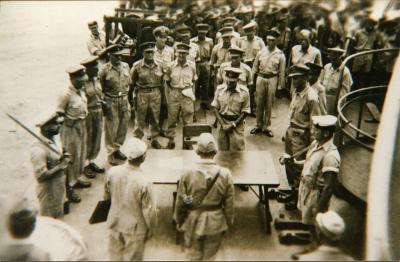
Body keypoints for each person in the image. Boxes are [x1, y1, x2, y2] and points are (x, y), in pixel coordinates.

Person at [174, 133, 234, 260]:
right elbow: (229, 205)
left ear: (197, 151)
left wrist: (179, 219)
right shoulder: (225, 174)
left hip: (192, 220)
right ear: (215, 151)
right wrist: (228, 222)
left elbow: (182, 200)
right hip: (215, 221)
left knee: (192, 256)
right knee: (210, 258)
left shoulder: (187, 172)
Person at [104, 138, 157, 261]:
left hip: (114, 222)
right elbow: (149, 211)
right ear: (143, 157)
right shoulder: (145, 182)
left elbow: (106, 197)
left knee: (115, 258)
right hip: (135, 229)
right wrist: (151, 228)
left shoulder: (112, 172)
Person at [281, 65, 321, 210]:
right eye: (292, 78)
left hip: (302, 138)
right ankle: (293, 191)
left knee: (299, 168)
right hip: (291, 133)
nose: (293, 81)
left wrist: (312, 145)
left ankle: (299, 197)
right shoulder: (296, 92)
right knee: (289, 164)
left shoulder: (312, 97)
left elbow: (315, 123)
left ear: (305, 77)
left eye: (296, 78)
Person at [294, 115, 340, 226]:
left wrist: (318, 208)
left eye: (316, 130)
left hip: (315, 197)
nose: (313, 131)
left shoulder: (331, 156)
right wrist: (295, 163)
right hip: (306, 191)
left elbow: (329, 187)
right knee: (306, 221)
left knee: (314, 225)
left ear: (326, 133)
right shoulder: (315, 144)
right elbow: (309, 163)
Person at [57, 66, 90, 203]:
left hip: (81, 125)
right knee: (70, 157)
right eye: (80, 80)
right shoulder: (65, 94)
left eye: (83, 79)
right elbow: (59, 113)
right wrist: (67, 122)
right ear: (72, 79)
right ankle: (68, 189)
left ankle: (75, 179)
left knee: (80, 154)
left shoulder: (80, 90)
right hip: (70, 128)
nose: (83, 82)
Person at [30, 111, 71, 217]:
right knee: (50, 219)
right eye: (56, 124)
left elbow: (57, 153)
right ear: (46, 128)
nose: (59, 126)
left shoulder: (53, 137)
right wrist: (61, 166)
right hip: (49, 192)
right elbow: (40, 176)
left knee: (58, 212)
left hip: (58, 186)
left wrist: (64, 153)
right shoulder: (38, 150)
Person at [250, 30, 286, 137]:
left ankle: (267, 126)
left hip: (272, 79)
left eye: (273, 40)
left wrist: (280, 86)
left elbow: (282, 71)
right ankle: (258, 125)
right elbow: (255, 67)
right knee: (259, 102)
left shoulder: (280, 55)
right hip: (261, 78)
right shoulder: (261, 52)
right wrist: (251, 80)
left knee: (269, 103)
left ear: (277, 41)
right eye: (269, 40)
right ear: (266, 40)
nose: (271, 42)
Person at [99, 48, 131, 165]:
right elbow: (100, 88)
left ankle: (117, 149)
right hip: (111, 100)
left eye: (120, 56)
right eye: (116, 56)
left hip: (123, 99)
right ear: (110, 55)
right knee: (111, 128)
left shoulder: (126, 66)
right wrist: (104, 103)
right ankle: (110, 153)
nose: (119, 58)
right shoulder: (104, 70)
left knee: (123, 126)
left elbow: (129, 83)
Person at [130, 42, 163, 149]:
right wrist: (131, 98)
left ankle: (154, 139)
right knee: (140, 118)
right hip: (142, 93)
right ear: (143, 53)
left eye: (151, 52)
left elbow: (163, 82)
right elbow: (132, 82)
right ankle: (137, 140)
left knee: (155, 117)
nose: (150, 54)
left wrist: (163, 98)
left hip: (155, 93)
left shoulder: (159, 64)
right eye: (147, 52)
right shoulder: (137, 66)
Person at [164, 43, 197, 149]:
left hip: (187, 93)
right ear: (176, 53)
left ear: (187, 54)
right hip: (174, 93)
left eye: (184, 53)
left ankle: (187, 141)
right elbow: (167, 82)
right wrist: (168, 97)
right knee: (172, 118)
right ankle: (171, 140)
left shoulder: (192, 66)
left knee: (188, 118)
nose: (181, 56)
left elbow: (194, 81)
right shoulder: (171, 66)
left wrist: (193, 96)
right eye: (180, 53)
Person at [212, 67, 250, 151]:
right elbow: (215, 108)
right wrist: (222, 124)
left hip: (237, 124)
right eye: (227, 81)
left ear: (237, 80)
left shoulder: (244, 92)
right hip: (222, 123)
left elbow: (245, 111)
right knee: (221, 151)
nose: (229, 83)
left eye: (232, 82)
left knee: (237, 152)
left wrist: (233, 125)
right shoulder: (219, 90)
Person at [81, 56, 105, 178]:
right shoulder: (83, 83)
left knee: (97, 138)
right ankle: (85, 165)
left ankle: (92, 161)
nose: (97, 70)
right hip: (88, 113)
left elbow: (99, 94)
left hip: (98, 111)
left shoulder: (97, 79)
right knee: (88, 139)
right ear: (88, 70)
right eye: (95, 68)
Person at [319, 48, 353, 115]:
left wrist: (338, 104)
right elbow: (320, 81)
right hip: (323, 96)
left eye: (334, 59)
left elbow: (345, 91)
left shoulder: (345, 72)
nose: (332, 61)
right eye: (331, 58)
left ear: (340, 57)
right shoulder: (327, 67)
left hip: (334, 99)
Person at [191, 23, 214, 110]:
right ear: (197, 32)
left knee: (206, 85)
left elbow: (212, 55)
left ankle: (205, 103)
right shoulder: (192, 41)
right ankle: (193, 104)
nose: (202, 35)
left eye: (203, 33)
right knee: (195, 84)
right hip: (195, 63)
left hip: (205, 63)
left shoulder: (210, 41)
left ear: (206, 32)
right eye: (200, 33)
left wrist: (210, 67)